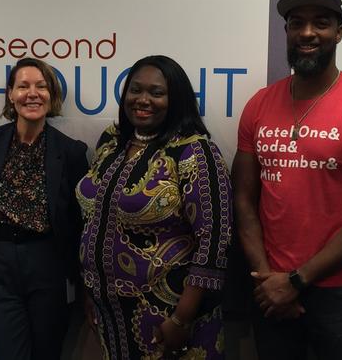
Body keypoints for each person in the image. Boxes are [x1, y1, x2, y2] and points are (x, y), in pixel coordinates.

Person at [233, 0, 342, 360]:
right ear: (285, 30)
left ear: (339, 32)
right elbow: (244, 199)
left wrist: (297, 281)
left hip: (340, 291)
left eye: (321, 22)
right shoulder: (258, 105)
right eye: (296, 22)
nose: (307, 32)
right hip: (268, 284)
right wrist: (268, 279)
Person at [78, 55, 232, 359]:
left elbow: (213, 243)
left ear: (176, 99)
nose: (143, 99)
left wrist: (181, 319)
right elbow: (91, 222)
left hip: (171, 319)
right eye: (135, 90)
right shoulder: (110, 143)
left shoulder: (195, 151)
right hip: (111, 314)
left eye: (156, 93)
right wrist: (89, 291)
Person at [0, 57, 88, 360]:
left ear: (52, 96)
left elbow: (79, 220)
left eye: (41, 86)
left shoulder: (71, 151)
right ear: (10, 94)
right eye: (23, 86)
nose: (32, 93)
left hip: (48, 263)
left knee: (47, 353)